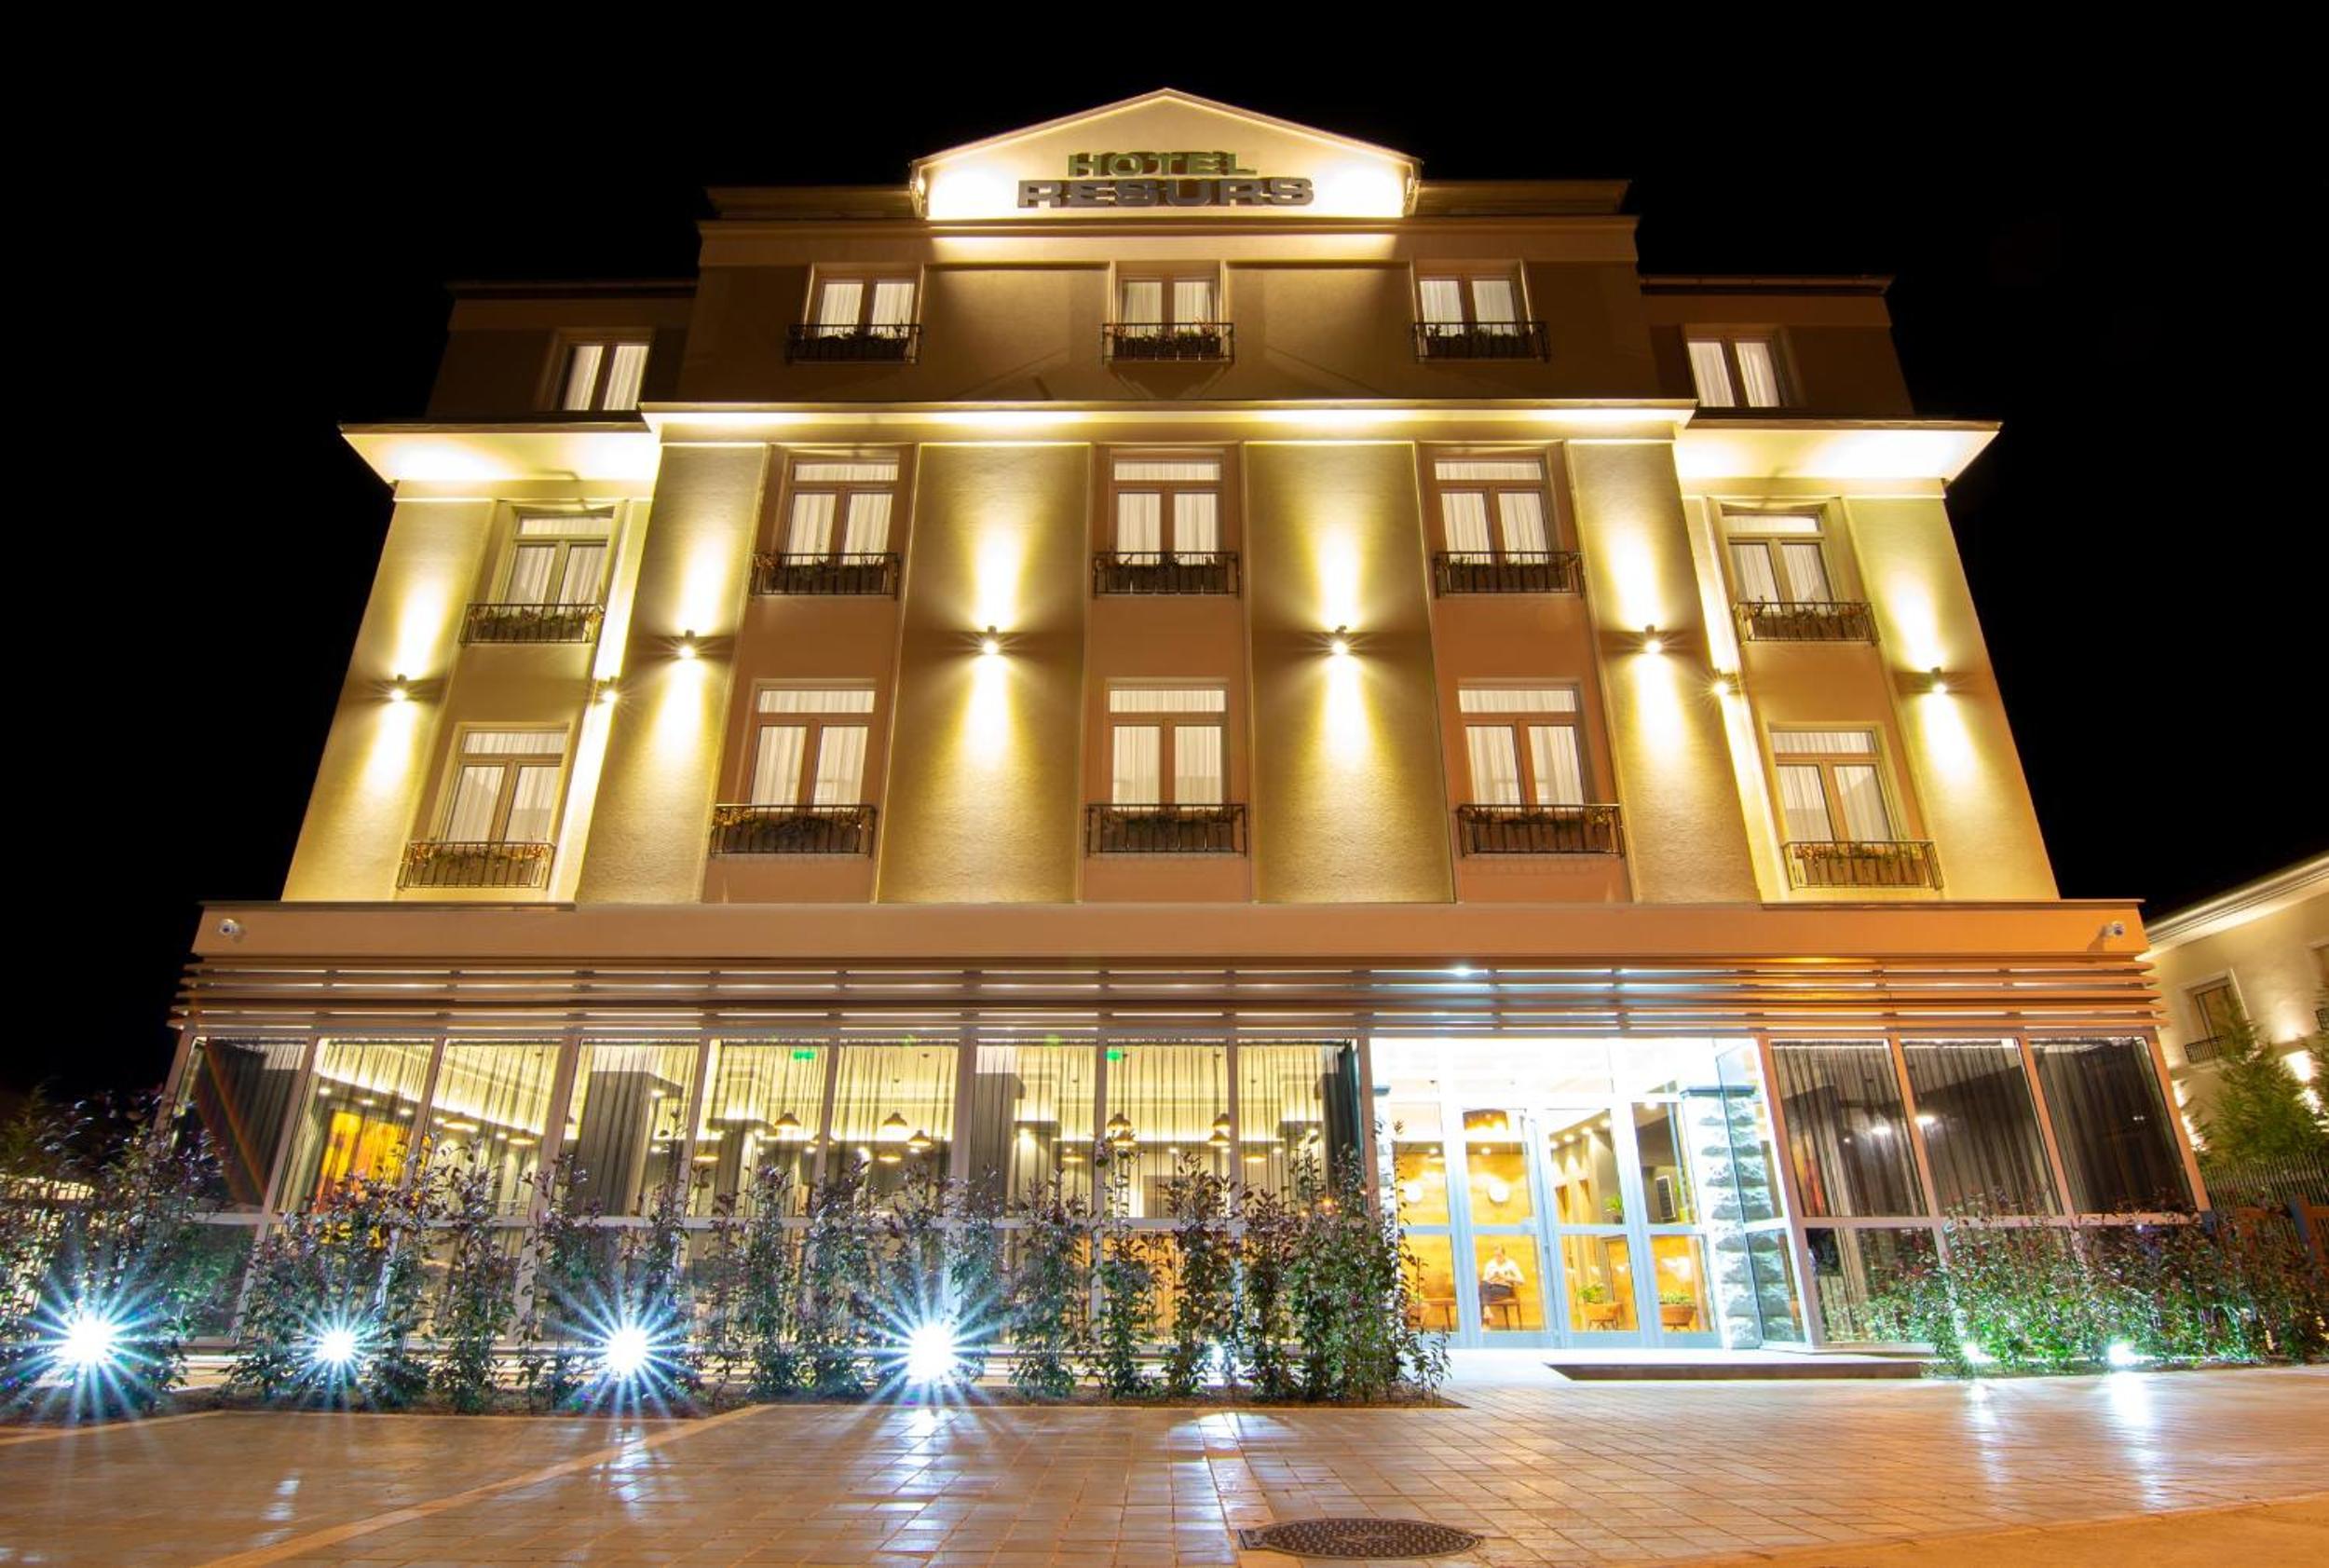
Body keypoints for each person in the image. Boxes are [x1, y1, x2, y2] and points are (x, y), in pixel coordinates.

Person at [1479, 1246, 1523, 1324]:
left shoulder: (1511, 1264)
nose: (1497, 1258)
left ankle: (1485, 1323)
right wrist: (1492, 1278)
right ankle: (1486, 1311)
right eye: (1495, 1255)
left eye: (1499, 1255)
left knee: (1480, 1293)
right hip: (1491, 1287)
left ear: (1504, 1255)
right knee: (1482, 1288)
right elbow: (1485, 1280)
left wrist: (1505, 1277)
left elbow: (1521, 1280)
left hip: (1504, 1289)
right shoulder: (1490, 1264)